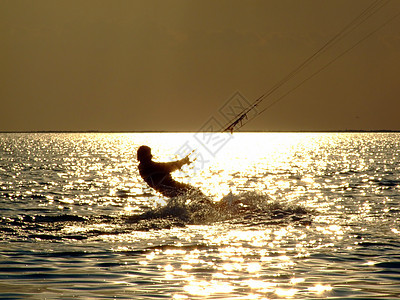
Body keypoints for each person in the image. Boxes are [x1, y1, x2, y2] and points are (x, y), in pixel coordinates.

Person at [137, 145, 206, 198]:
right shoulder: (149, 167)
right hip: (172, 188)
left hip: (166, 190)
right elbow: (169, 167)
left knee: (194, 192)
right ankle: (211, 207)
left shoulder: (143, 167)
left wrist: (181, 162)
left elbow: (166, 167)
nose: (151, 156)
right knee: (196, 192)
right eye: (149, 154)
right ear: (144, 156)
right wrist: (183, 161)